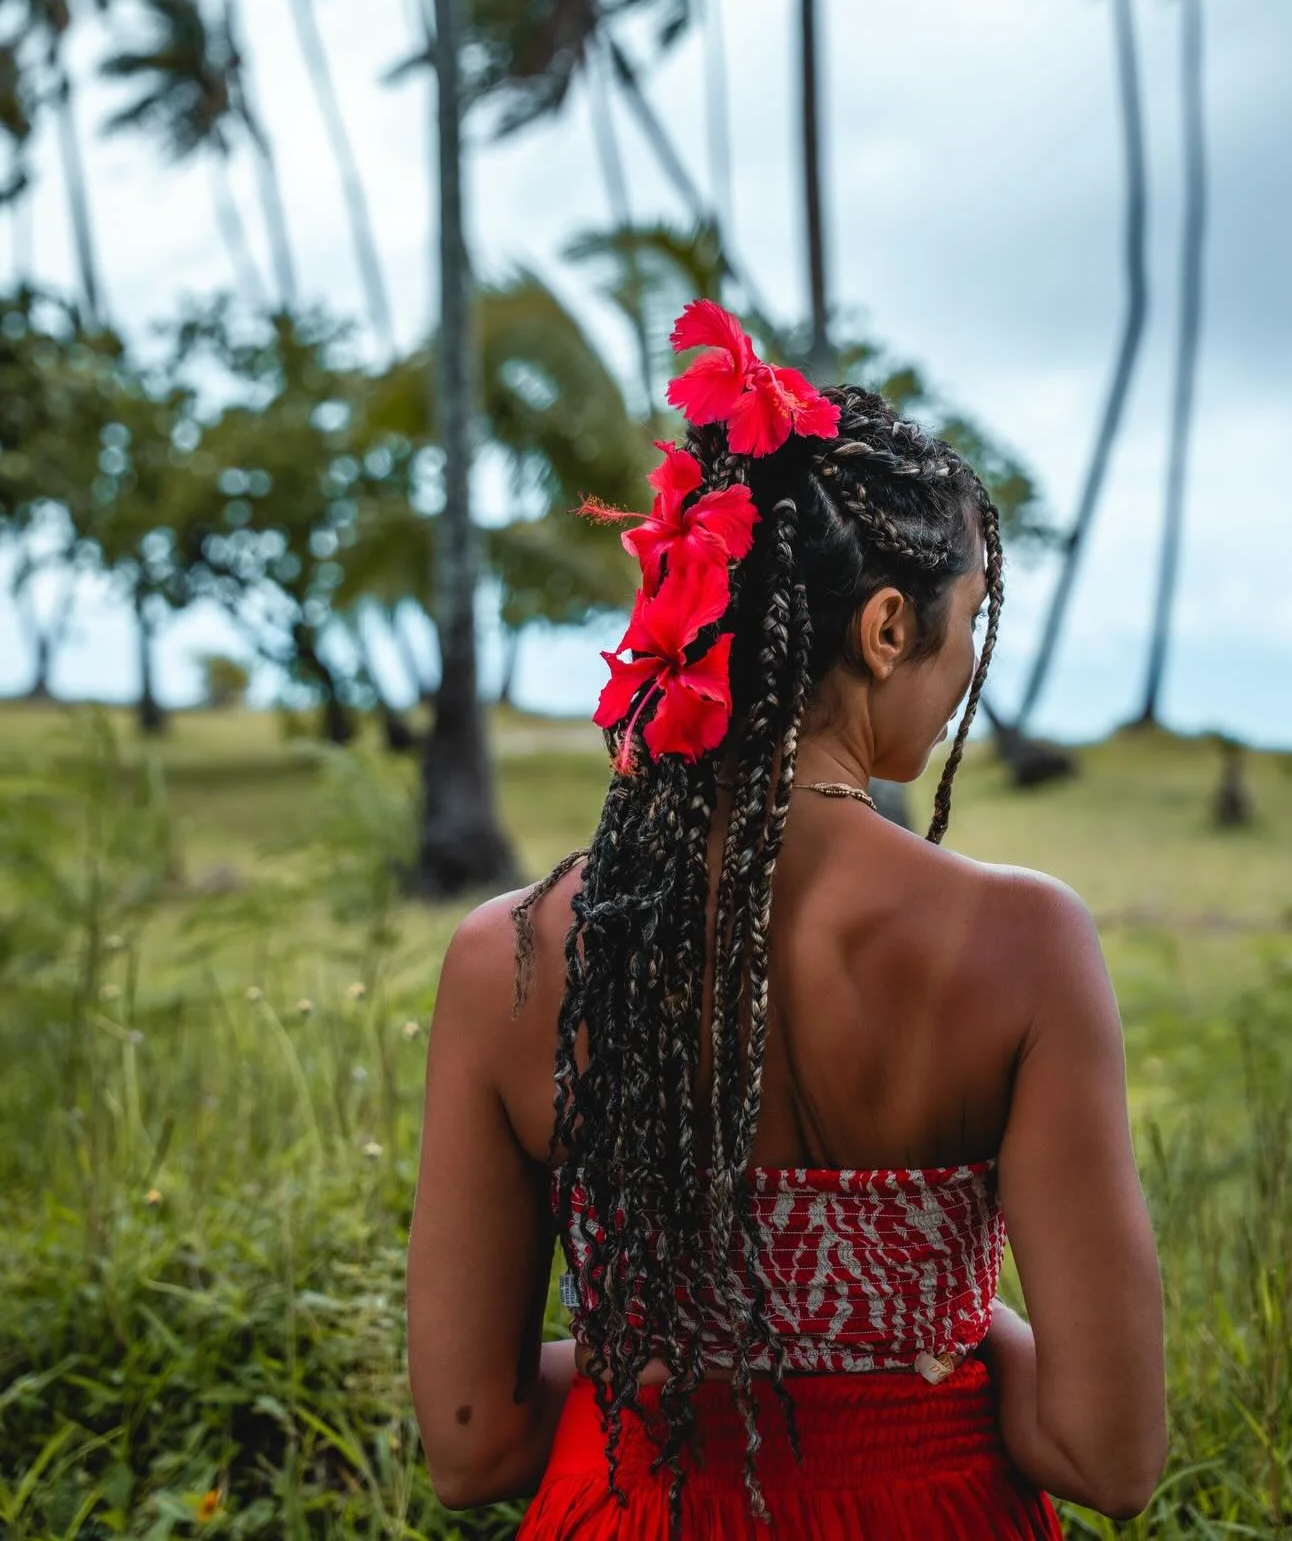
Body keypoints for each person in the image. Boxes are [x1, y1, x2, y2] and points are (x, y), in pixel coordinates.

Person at [407, 303, 1167, 1537]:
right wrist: (926, 1325)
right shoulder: (1024, 947)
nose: (967, 667)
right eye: (965, 624)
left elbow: (472, 1444)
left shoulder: (512, 955)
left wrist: (655, 1358)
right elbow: (1108, 1454)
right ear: (883, 631)